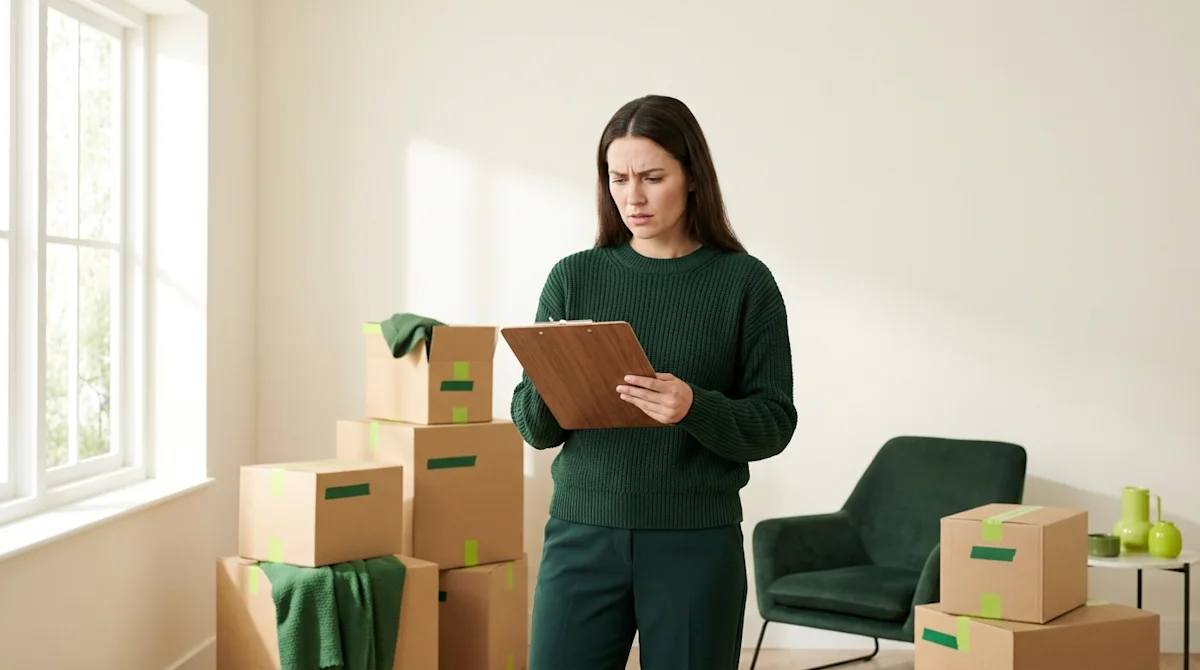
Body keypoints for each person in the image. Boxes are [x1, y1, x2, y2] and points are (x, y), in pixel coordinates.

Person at [510, 94, 798, 670]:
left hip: (695, 541)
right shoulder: (573, 277)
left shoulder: (745, 283)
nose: (632, 197)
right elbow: (534, 429)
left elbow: (773, 423)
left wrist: (695, 406)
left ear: (692, 177)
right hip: (581, 533)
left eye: (652, 177)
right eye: (617, 179)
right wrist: (557, 370)